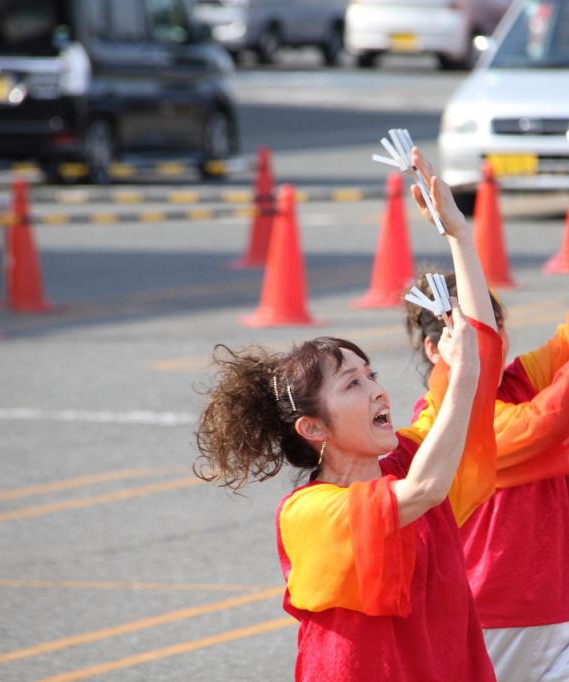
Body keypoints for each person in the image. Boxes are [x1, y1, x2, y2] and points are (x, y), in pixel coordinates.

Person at [195, 150, 503, 681]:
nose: (378, 390)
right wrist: (466, 376)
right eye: (353, 383)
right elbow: (426, 489)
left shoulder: (404, 458)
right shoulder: (309, 512)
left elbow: (480, 363)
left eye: (373, 374)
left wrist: (458, 236)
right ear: (313, 428)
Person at [404, 170, 569, 681]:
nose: (496, 341)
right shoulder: (446, 423)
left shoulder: (514, 382)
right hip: (491, 622)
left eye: (497, 325)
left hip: (561, 619)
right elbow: (545, 422)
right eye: (479, 330)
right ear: (434, 348)